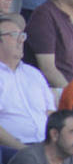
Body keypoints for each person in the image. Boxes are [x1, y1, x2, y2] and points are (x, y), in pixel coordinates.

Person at [0, 14, 55, 147]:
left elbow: (51, 113)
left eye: (22, 36)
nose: (21, 41)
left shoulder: (34, 74)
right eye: (14, 35)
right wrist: (23, 150)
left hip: (45, 146)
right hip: (12, 149)